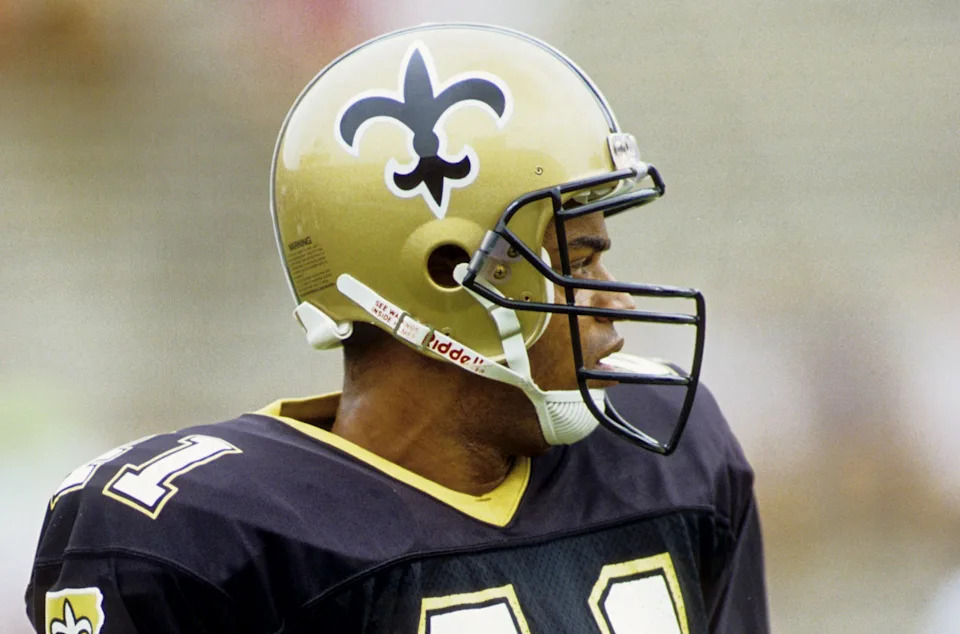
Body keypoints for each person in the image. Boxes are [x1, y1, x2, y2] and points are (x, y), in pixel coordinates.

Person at [25, 23, 768, 633]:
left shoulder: (672, 456)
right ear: (448, 272)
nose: (614, 303)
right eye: (580, 260)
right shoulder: (201, 540)